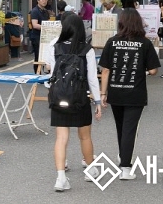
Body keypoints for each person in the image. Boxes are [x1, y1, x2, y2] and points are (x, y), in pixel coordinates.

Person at [98, 9, 161, 180]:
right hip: (135, 93)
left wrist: (103, 93)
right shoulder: (145, 43)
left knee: (121, 127)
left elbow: (105, 70)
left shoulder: (112, 42)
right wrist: (144, 71)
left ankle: (122, 155)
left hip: (116, 92)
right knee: (130, 129)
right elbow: (154, 70)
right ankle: (125, 167)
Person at [44, 12, 102, 191]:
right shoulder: (87, 49)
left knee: (61, 138)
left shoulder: (54, 45)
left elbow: (50, 71)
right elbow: (92, 78)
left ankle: (60, 178)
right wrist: (98, 101)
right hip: (80, 98)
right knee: (85, 136)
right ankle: (90, 171)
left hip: (60, 97)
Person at [29, 0, 52, 73]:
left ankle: (46, 72)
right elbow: (35, 25)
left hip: (45, 37)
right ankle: (38, 74)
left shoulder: (45, 11)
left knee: (46, 55)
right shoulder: (35, 11)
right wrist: (46, 27)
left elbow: (49, 22)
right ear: (38, 0)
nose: (44, 1)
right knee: (38, 56)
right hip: (37, 36)